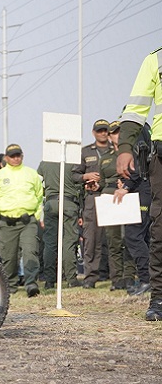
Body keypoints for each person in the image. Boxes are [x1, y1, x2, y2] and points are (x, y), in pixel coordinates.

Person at [116, 46, 162, 320]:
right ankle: (159, 298)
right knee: (160, 229)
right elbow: (135, 110)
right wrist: (124, 147)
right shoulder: (155, 59)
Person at [0, 144, 43, 297]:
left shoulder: (32, 174)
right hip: (6, 223)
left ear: (22, 156)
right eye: (12, 156)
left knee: (30, 252)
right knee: (9, 257)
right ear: (6, 158)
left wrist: (36, 216)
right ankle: (11, 286)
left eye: (18, 155)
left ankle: (31, 284)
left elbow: (39, 196)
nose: (16, 158)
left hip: (27, 221)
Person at [97, 121, 137, 291]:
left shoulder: (131, 153)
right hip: (109, 197)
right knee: (113, 241)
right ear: (110, 135)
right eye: (114, 133)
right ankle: (116, 279)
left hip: (128, 196)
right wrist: (95, 186)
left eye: (120, 132)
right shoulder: (105, 157)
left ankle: (128, 276)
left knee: (129, 238)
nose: (117, 136)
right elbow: (101, 180)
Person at [113, 122, 152, 296]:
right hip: (146, 188)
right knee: (145, 237)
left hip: (142, 191)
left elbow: (137, 168)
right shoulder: (146, 132)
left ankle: (146, 280)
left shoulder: (136, 136)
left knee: (134, 236)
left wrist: (126, 187)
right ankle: (150, 279)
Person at [72, 119, 111, 288]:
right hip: (92, 198)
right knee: (91, 239)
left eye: (105, 130)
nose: (103, 133)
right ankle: (90, 277)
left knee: (114, 239)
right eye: (100, 130)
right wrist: (85, 177)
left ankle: (117, 277)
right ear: (94, 132)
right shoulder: (85, 151)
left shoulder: (115, 150)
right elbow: (74, 175)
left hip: (112, 196)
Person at [36, 160, 82, 289]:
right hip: (68, 202)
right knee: (69, 241)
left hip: (51, 202)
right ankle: (71, 279)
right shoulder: (71, 159)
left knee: (50, 243)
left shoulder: (44, 162)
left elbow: (37, 182)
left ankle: (49, 280)